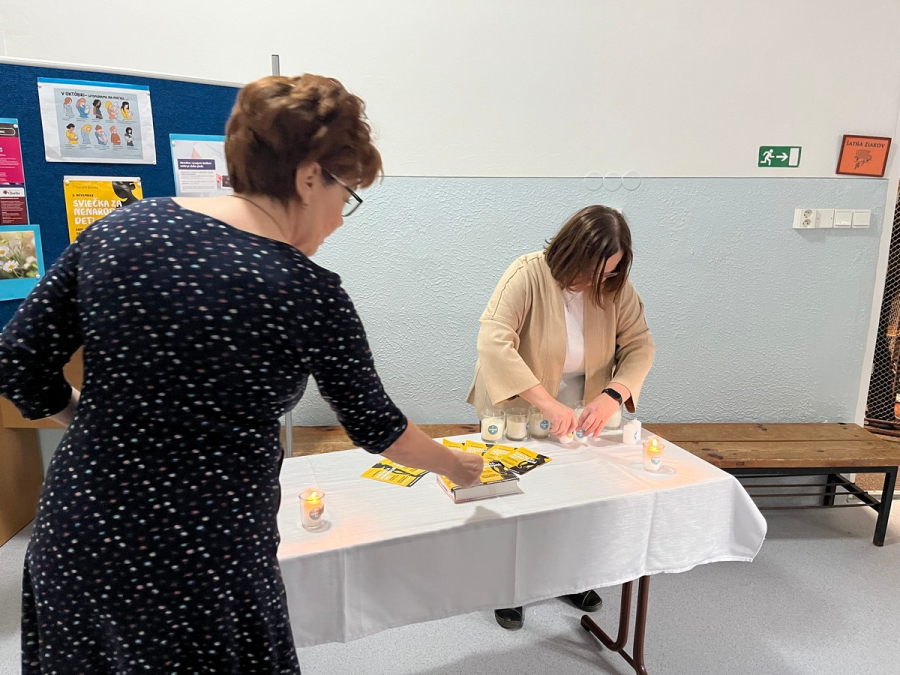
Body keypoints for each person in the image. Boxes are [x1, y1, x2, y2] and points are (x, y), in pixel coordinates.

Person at [0, 73, 483, 674]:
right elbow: (377, 427)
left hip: (80, 536)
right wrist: (457, 465)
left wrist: (87, 417)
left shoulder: (119, 230)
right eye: (346, 197)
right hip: (204, 563)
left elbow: (16, 361)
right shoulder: (307, 291)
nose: (339, 220)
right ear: (310, 177)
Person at [467, 205, 656, 630]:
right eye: (592, 272)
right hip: (519, 402)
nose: (598, 282)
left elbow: (640, 346)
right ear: (571, 253)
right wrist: (545, 402)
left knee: (576, 494)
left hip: (583, 404)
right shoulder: (527, 274)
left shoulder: (615, 288)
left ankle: (572, 576)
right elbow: (493, 342)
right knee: (518, 497)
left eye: (609, 273)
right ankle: (509, 587)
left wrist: (613, 395)